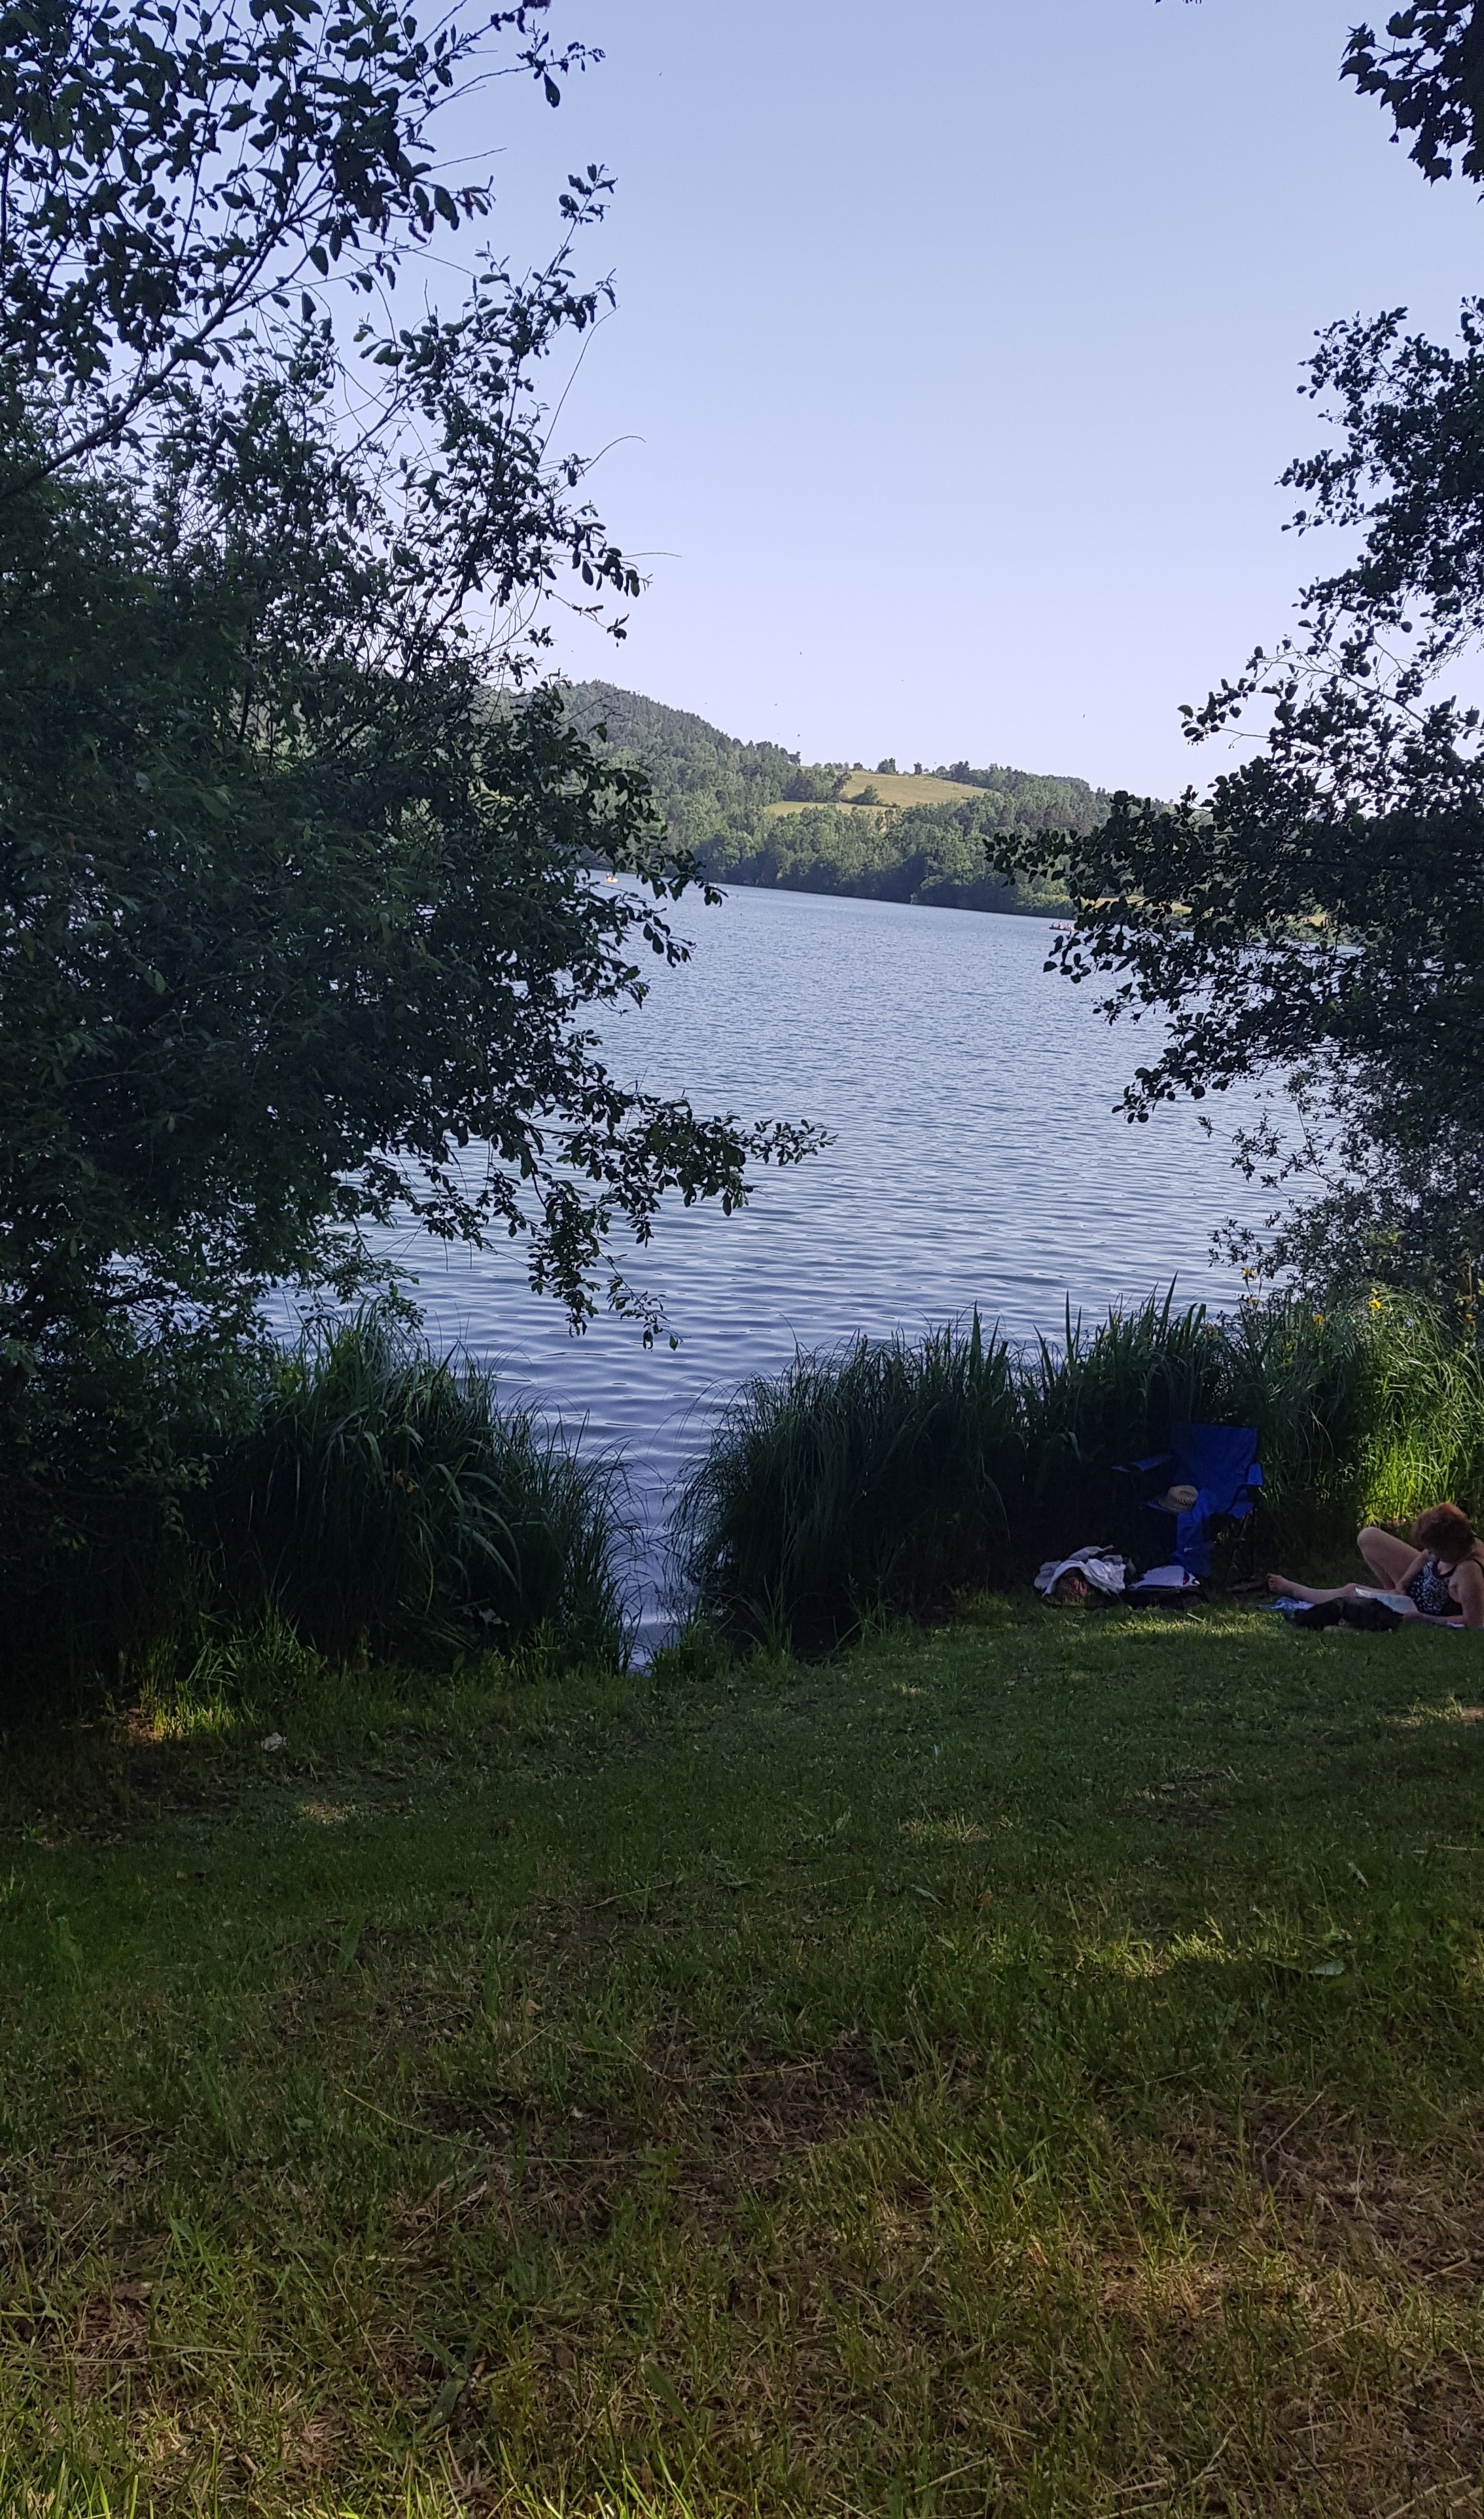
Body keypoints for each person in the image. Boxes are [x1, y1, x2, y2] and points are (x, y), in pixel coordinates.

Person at [1267, 1504, 1484, 1628]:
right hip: (1413, 1589)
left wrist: (1424, 1619)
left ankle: (1297, 1591)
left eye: (1435, 1550)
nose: (1431, 1553)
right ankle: (1389, 1593)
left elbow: (1474, 1621)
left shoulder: (1468, 1571)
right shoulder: (1459, 1543)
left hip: (1419, 1606)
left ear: (1449, 1547)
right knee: (1368, 1537)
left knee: (1352, 1591)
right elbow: (1424, 1556)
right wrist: (1403, 1582)